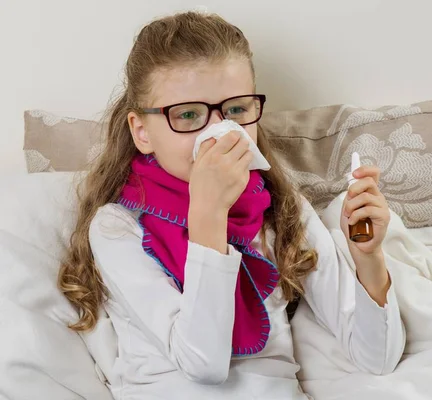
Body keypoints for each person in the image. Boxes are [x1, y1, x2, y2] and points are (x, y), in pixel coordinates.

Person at [58, 10, 405, 400]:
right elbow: (203, 364)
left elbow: (377, 358)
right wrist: (208, 215)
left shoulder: (279, 212)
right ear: (142, 131)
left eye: (237, 110)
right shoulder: (118, 226)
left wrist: (368, 259)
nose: (219, 133)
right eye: (188, 115)